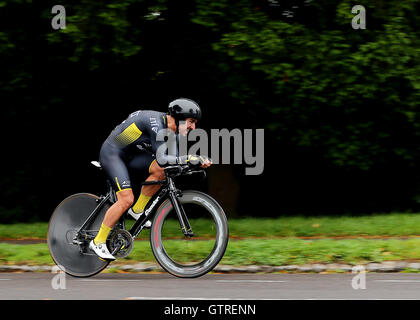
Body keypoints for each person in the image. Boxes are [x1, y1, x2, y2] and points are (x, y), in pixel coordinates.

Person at [89, 98, 212, 260]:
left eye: (195, 123)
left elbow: (171, 163)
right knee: (125, 199)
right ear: (179, 118)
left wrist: (195, 164)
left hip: (131, 155)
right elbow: (163, 158)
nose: (193, 127)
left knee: (162, 170)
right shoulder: (155, 124)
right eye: (191, 121)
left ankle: (137, 210)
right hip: (113, 154)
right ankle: (98, 241)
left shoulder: (174, 133)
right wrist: (189, 158)